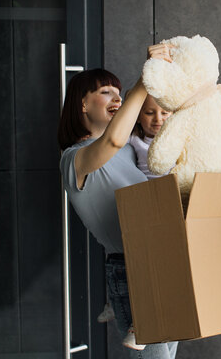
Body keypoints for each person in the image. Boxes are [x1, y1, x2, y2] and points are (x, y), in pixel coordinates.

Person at [58, 44, 178, 359]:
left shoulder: (130, 149)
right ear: (82, 104)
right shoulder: (74, 160)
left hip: (166, 261)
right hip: (131, 268)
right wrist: (145, 78)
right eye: (106, 92)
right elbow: (112, 139)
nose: (117, 98)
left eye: (119, 93)